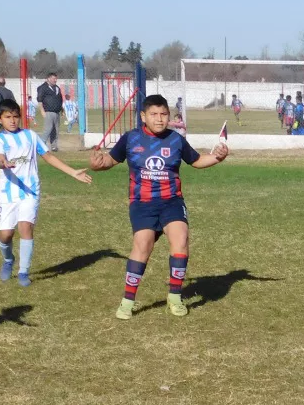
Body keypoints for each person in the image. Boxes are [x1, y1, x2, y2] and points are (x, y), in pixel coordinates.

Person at [88, 94, 229, 320]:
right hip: (142, 203)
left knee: (180, 239)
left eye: (164, 114)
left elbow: (196, 161)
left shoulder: (176, 140)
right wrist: (97, 165)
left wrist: (217, 158)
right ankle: (127, 301)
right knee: (143, 245)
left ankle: (174, 297)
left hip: (171, 201)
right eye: (154, 114)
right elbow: (109, 161)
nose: (160, 119)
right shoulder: (131, 138)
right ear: (143, 116)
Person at [0, 98, 93, 286]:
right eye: (7, 117)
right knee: (5, 235)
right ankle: (8, 259)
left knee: (25, 228)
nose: (12, 120)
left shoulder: (30, 136)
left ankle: (23, 272)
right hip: (8, 194)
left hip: (30, 191)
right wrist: (2, 162)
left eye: (15, 116)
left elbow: (48, 156)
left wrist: (72, 172)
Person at [36, 72, 64, 153]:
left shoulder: (57, 88)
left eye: (56, 78)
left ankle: (54, 146)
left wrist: (62, 109)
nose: (55, 80)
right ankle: (41, 145)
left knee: (56, 130)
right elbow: (40, 100)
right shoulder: (43, 88)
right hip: (48, 111)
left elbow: (60, 99)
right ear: (48, 78)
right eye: (53, 78)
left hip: (57, 112)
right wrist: (42, 111)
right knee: (48, 129)